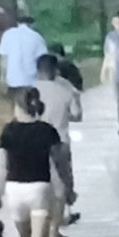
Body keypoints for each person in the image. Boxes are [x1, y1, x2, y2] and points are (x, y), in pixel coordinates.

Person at [0, 86, 64, 237]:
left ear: (17, 106)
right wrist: (65, 189)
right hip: (40, 189)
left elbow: (2, 168)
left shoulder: (8, 131)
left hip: (14, 190)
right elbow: (58, 163)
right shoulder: (47, 131)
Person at [34, 52, 83, 222]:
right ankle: (63, 214)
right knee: (63, 178)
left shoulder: (31, 91)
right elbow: (77, 116)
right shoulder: (65, 90)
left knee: (43, 180)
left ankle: (46, 215)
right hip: (61, 141)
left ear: (37, 70)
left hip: (37, 142)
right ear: (55, 70)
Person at [0, 10, 49, 94]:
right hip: (31, 83)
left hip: (12, 82)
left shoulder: (7, 35)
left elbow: (3, 60)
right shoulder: (37, 37)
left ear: (17, 22)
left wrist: (2, 77)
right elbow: (44, 62)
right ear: (31, 24)